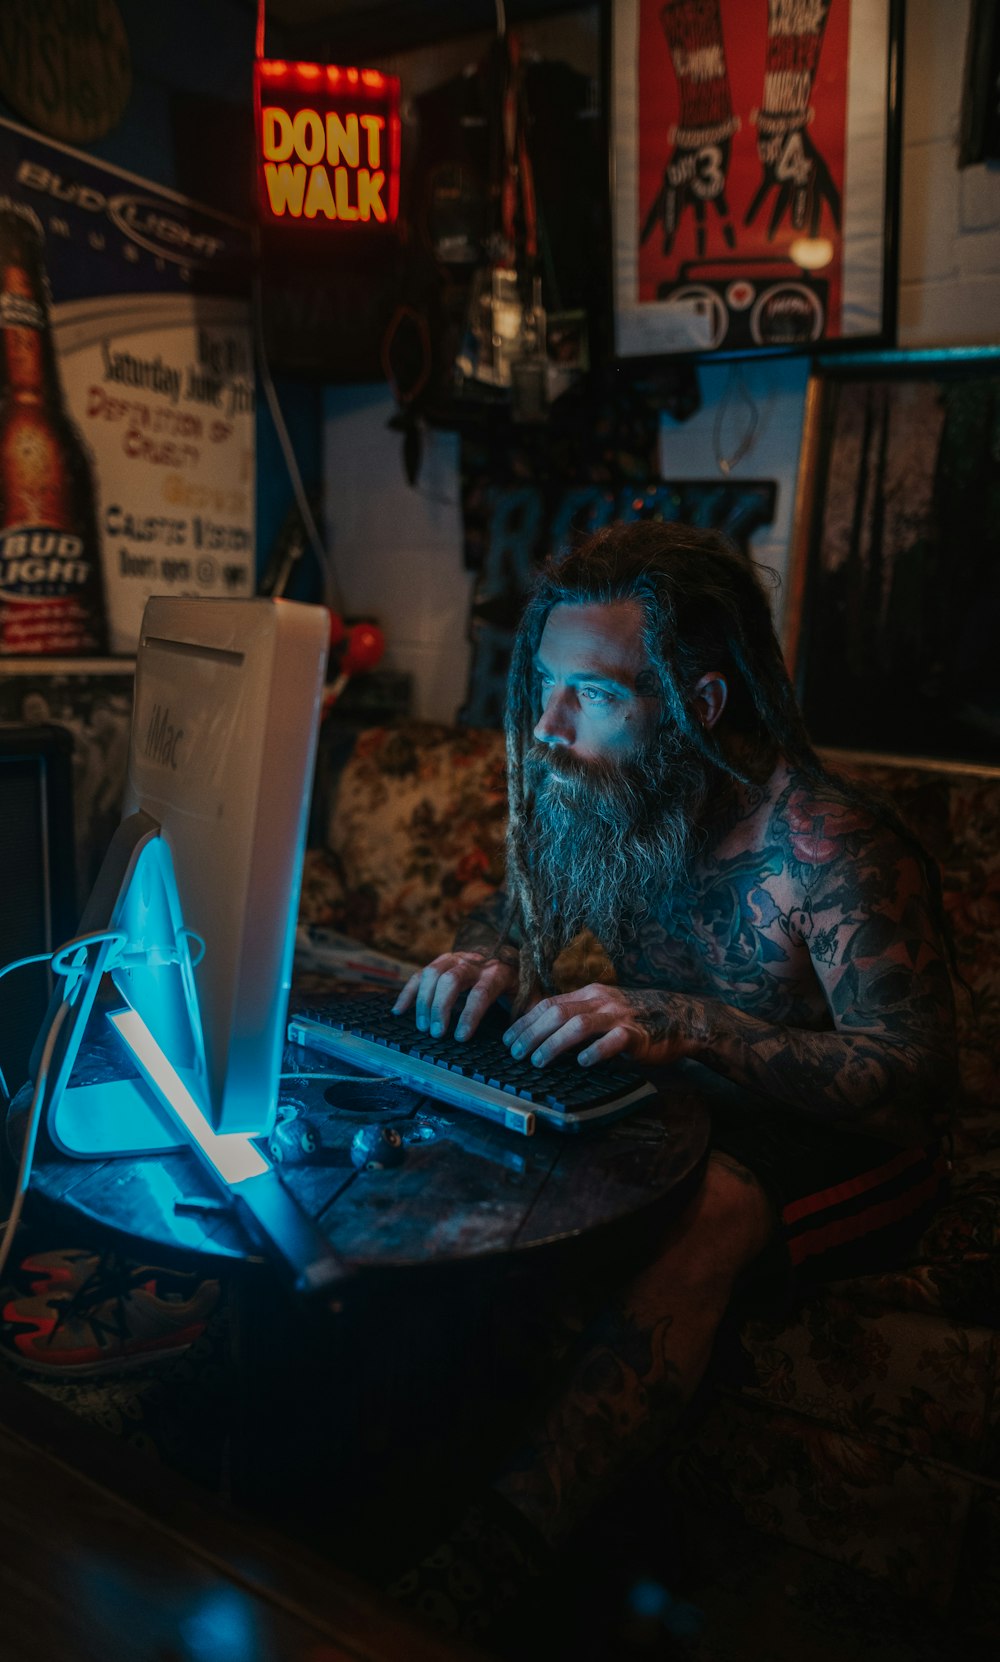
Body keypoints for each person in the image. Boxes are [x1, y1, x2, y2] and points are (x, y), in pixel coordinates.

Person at [387, 520, 958, 1643]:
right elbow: (509, 918)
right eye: (545, 687)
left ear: (698, 704)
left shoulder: (830, 848)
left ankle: (485, 1570)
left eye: (589, 696)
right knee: (489, 1123)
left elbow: (914, 1079)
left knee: (712, 1210)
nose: (546, 728)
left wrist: (688, 1021)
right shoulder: (595, 786)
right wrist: (485, 961)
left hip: (852, 1140)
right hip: (692, 1097)